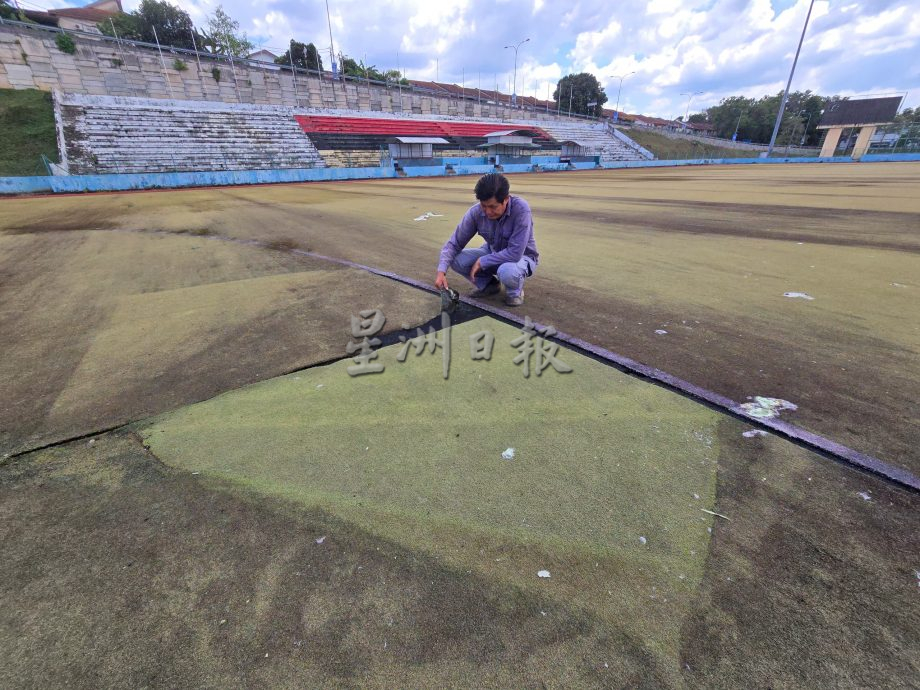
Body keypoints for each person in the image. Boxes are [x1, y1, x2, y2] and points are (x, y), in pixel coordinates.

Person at [434, 173, 539, 307]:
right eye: (484, 206)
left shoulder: (521, 210)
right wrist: (441, 272)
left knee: (507, 271)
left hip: (521, 257)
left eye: (493, 207)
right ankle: (490, 285)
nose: (487, 212)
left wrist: (483, 261)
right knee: (455, 259)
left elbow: (515, 253)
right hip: (492, 251)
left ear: (505, 199)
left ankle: (514, 292)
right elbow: (454, 244)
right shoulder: (475, 212)